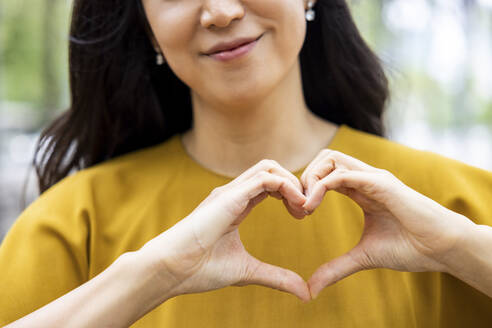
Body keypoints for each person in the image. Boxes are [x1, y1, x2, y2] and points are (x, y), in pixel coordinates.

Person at [1, 0, 492, 326]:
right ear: (145, 27)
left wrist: (459, 247)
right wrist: (153, 274)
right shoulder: (70, 226)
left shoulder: (458, 206)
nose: (220, 11)